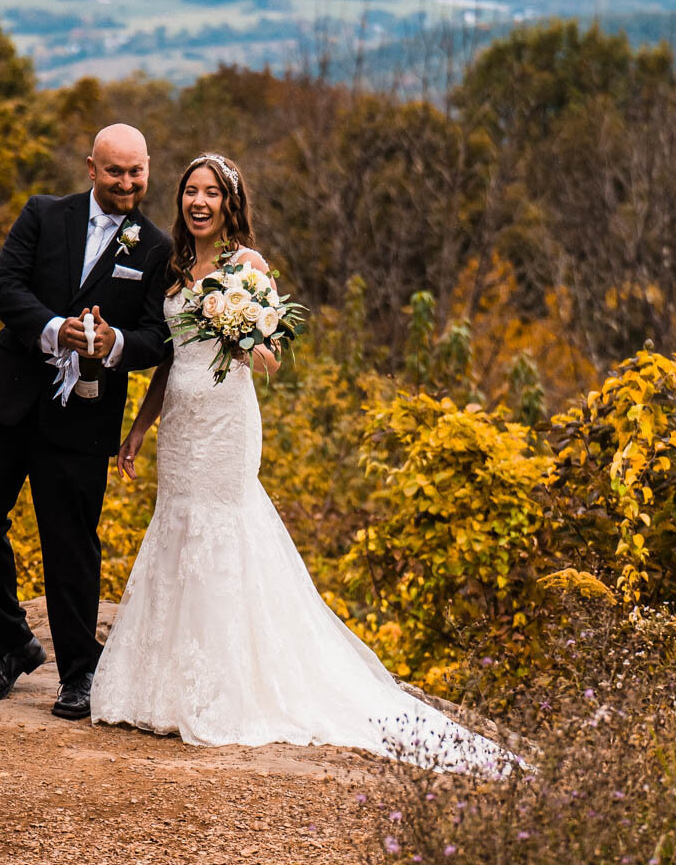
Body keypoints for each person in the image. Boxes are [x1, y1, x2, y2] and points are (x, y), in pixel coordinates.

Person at [91, 152, 515, 772]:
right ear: (180, 201)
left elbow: (271, 360)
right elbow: (166, 361)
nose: (199, 202)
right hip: (181, 425)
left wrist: (244, 333)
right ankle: (164, 686)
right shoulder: (172, 269)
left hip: (228, 424)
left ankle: (223, 688)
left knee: (222, 529)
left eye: (211, 193)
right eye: (190, 192)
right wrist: (137, 430)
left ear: (229, 205)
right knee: (177, 526)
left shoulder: (247, 266)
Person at [0, 124, 171, 719]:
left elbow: (158, 336)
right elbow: (5, 287)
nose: (127, 183)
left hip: (84, 415)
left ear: (147, 169)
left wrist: (115, 341)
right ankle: (10, 648)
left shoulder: (156, 248)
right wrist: (55, 329)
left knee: (70, 541)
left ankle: (79, 671)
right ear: (91, 168)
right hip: (5, 397)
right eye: (115, 171)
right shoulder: (44, 215)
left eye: (137, 172)